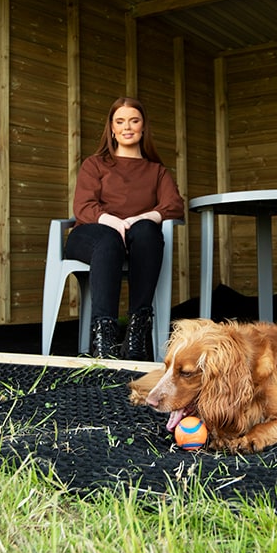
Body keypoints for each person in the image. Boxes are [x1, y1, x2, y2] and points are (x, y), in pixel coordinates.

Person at [64, 97, 185, 359]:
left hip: (135, 242)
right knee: (109, 239)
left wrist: (143, 218)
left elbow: (174, 205)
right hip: (91, 234)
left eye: (134, 120)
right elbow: (82, 206)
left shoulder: (157, 171)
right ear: (111, 128)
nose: (127, 127)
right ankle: (103, 341)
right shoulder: (95, 164)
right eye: (120, 121)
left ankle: (136, 334)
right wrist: (112, 221)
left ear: (143, 127)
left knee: (146, 230)